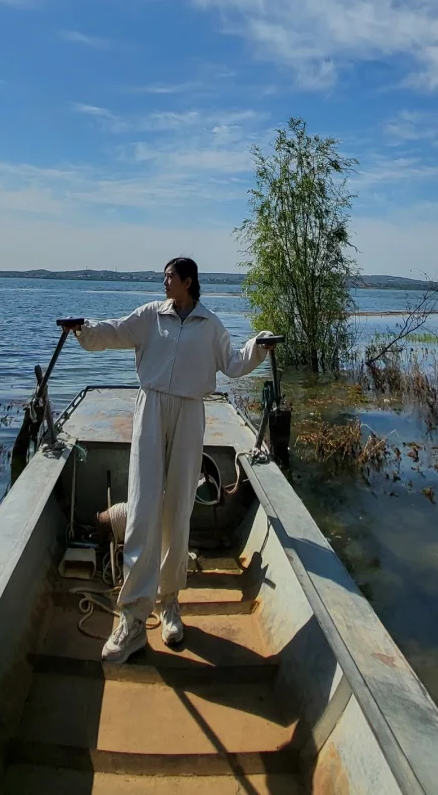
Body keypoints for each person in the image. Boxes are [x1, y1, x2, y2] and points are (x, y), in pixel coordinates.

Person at [64, 256, 277, 664]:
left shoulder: (210, 325)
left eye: (169, 277)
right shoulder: (151, 316)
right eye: (164, 277)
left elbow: (233, 364)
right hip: (152, 408)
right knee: (143, 509)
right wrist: (84, 330)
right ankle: (132, 620)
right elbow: (116, 332)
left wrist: (259, 346)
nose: (163, 282)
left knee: (178, 509)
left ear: (188, 281)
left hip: (191, 412)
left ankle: (169, 602)